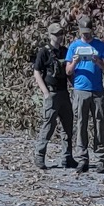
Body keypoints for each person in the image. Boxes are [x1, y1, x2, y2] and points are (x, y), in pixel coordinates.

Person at [65, 18, 104, 172]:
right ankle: (82, 159)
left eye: (88, 32)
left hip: (97, 90)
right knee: (81, 124)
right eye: (83, 33)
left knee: (99, 124)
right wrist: (75, 62)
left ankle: (100, 159)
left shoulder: (100, 46)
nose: (86, 35)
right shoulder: (74, 46)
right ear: (79, 31)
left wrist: (98, 61)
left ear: (92, 30)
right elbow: (68, 71)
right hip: (80, 90)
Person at [30, 26, 75, 167]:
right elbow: (37, 72)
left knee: (67, 126)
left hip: (64, 93)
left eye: (61, 33)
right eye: (56, 34)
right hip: (52, 93)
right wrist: (45, 93)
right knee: (48, 125)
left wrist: (74, 86)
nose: (59, 37)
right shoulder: (44, 52)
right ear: (50, 35)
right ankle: (40, 155)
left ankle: (67, 157)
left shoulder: (65, 51)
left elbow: (69, 72)